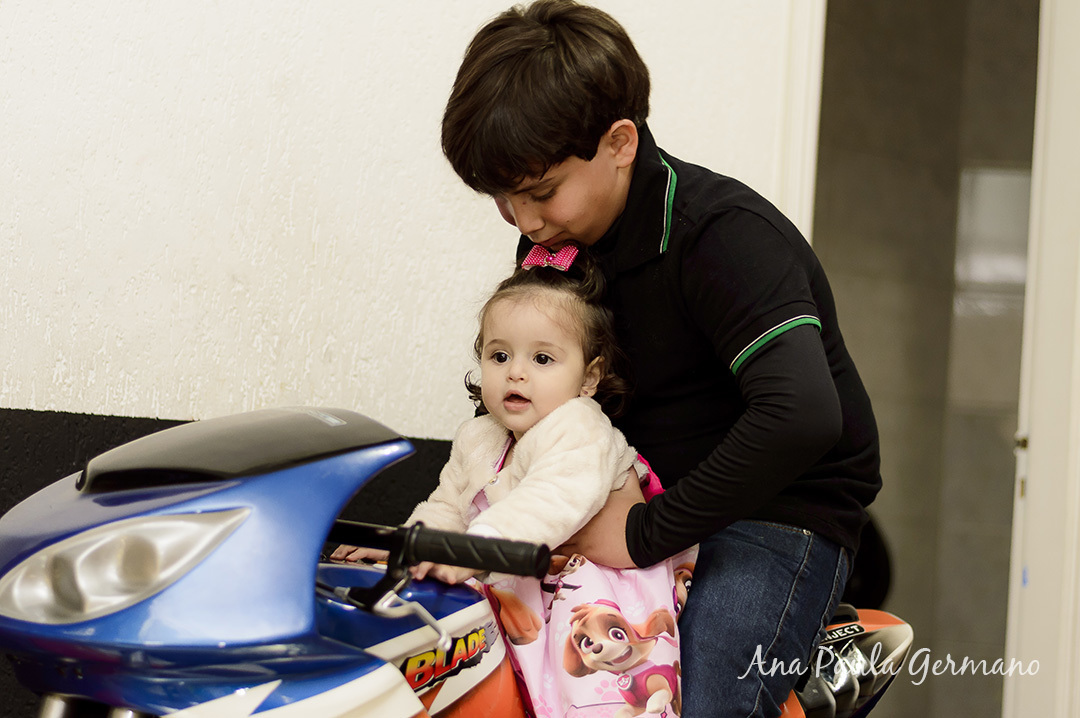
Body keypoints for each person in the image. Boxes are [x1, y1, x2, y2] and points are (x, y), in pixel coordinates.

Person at [437, 2, 882, 716]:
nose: (524, 223)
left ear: (619, 143)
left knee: (693, 697)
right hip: (625, 495)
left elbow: (802, 415)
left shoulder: (725, 237)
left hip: (771, 516)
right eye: (502, 199)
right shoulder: (554, 241)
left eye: (540, 192)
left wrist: (644, 531)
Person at [334, 244, 689, 717]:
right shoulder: (479, 436)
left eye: (543, 359)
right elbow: (447, 505)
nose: (516, 372)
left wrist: (465, 552)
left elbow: (549, 500)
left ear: (589, 377)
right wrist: (410, 545)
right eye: (499, 356)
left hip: (598, 597)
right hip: (520, 582)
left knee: (592, 691)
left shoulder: (579, 424)